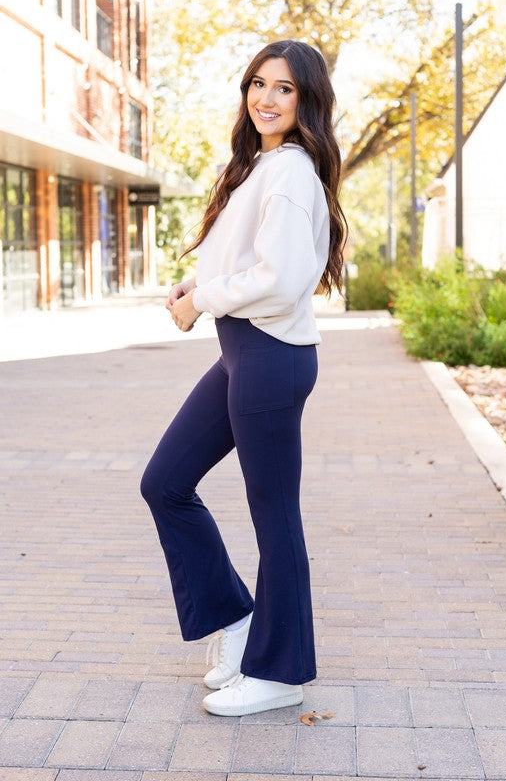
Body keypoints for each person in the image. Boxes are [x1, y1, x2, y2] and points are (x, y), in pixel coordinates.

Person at [140, 39, 347, 717]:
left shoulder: (288, 171)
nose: (265, 97)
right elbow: (255, 264)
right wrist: (198, 284)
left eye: (283, 88)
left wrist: (202, 300)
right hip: (243, 353)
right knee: (165, 482)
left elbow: (282, 281)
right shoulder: (264, 167)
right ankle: (234, 620)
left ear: (306, 98)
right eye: (257, 83)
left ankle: (281, 671)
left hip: (268, 357)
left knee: (274, 515)